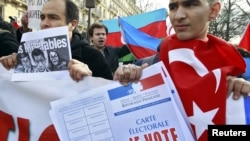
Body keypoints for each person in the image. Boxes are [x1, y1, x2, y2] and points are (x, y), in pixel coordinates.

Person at [0, 0, 113, 81]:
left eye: (53, 17)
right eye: (42, 17)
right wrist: (9, 65)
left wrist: (88, 81)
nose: (44, 23)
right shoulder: (29, 54)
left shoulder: (93, 57)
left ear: (72, 25)